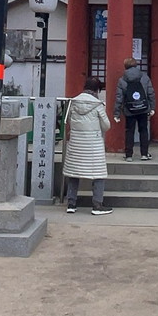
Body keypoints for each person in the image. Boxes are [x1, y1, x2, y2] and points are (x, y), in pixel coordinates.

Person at [63, 77, 113, 215]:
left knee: (73, 173)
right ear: (97, 89)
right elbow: (106, 126)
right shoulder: (98, 105)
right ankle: (97, 205)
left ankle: (71, 204)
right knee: (98, 174)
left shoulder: (73, 102)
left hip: (76, 143)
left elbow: (66, 120)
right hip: (93, 145)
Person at [113, 56, 155, 161]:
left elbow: (119, 98)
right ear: (136, 65)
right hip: (143, 108)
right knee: (143, 130)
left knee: (129, 131)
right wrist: (152, 107)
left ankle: (129, 155)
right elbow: (151, 93)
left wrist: (116, 113)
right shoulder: (144, 77)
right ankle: (144, 154)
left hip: (129, 109)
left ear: (125, 66)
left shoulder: (122, 80)